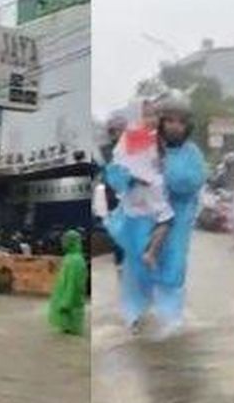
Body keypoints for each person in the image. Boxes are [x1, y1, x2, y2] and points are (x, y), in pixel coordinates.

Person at [104, 93, 206, 336]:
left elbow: (192, 181)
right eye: (169, 120)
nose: (175, 126)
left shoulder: (191, 152)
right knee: (138, 267)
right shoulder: (142, 142)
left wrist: (162, 173)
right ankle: (135, 316)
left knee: (173, 268)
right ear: (160, 121)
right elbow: (117, 173)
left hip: (177, 221)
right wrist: (131, 176)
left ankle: (170, 320)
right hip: (142, 216)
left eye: (181, 122)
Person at [47, 228, 87, 335]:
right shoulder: (69, 258)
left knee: (71, 334)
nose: (63, 243)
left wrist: (66, 302)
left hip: (70, 308)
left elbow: (74, 284)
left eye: (65, 241)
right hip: (65, 308)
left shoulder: (75, 261)